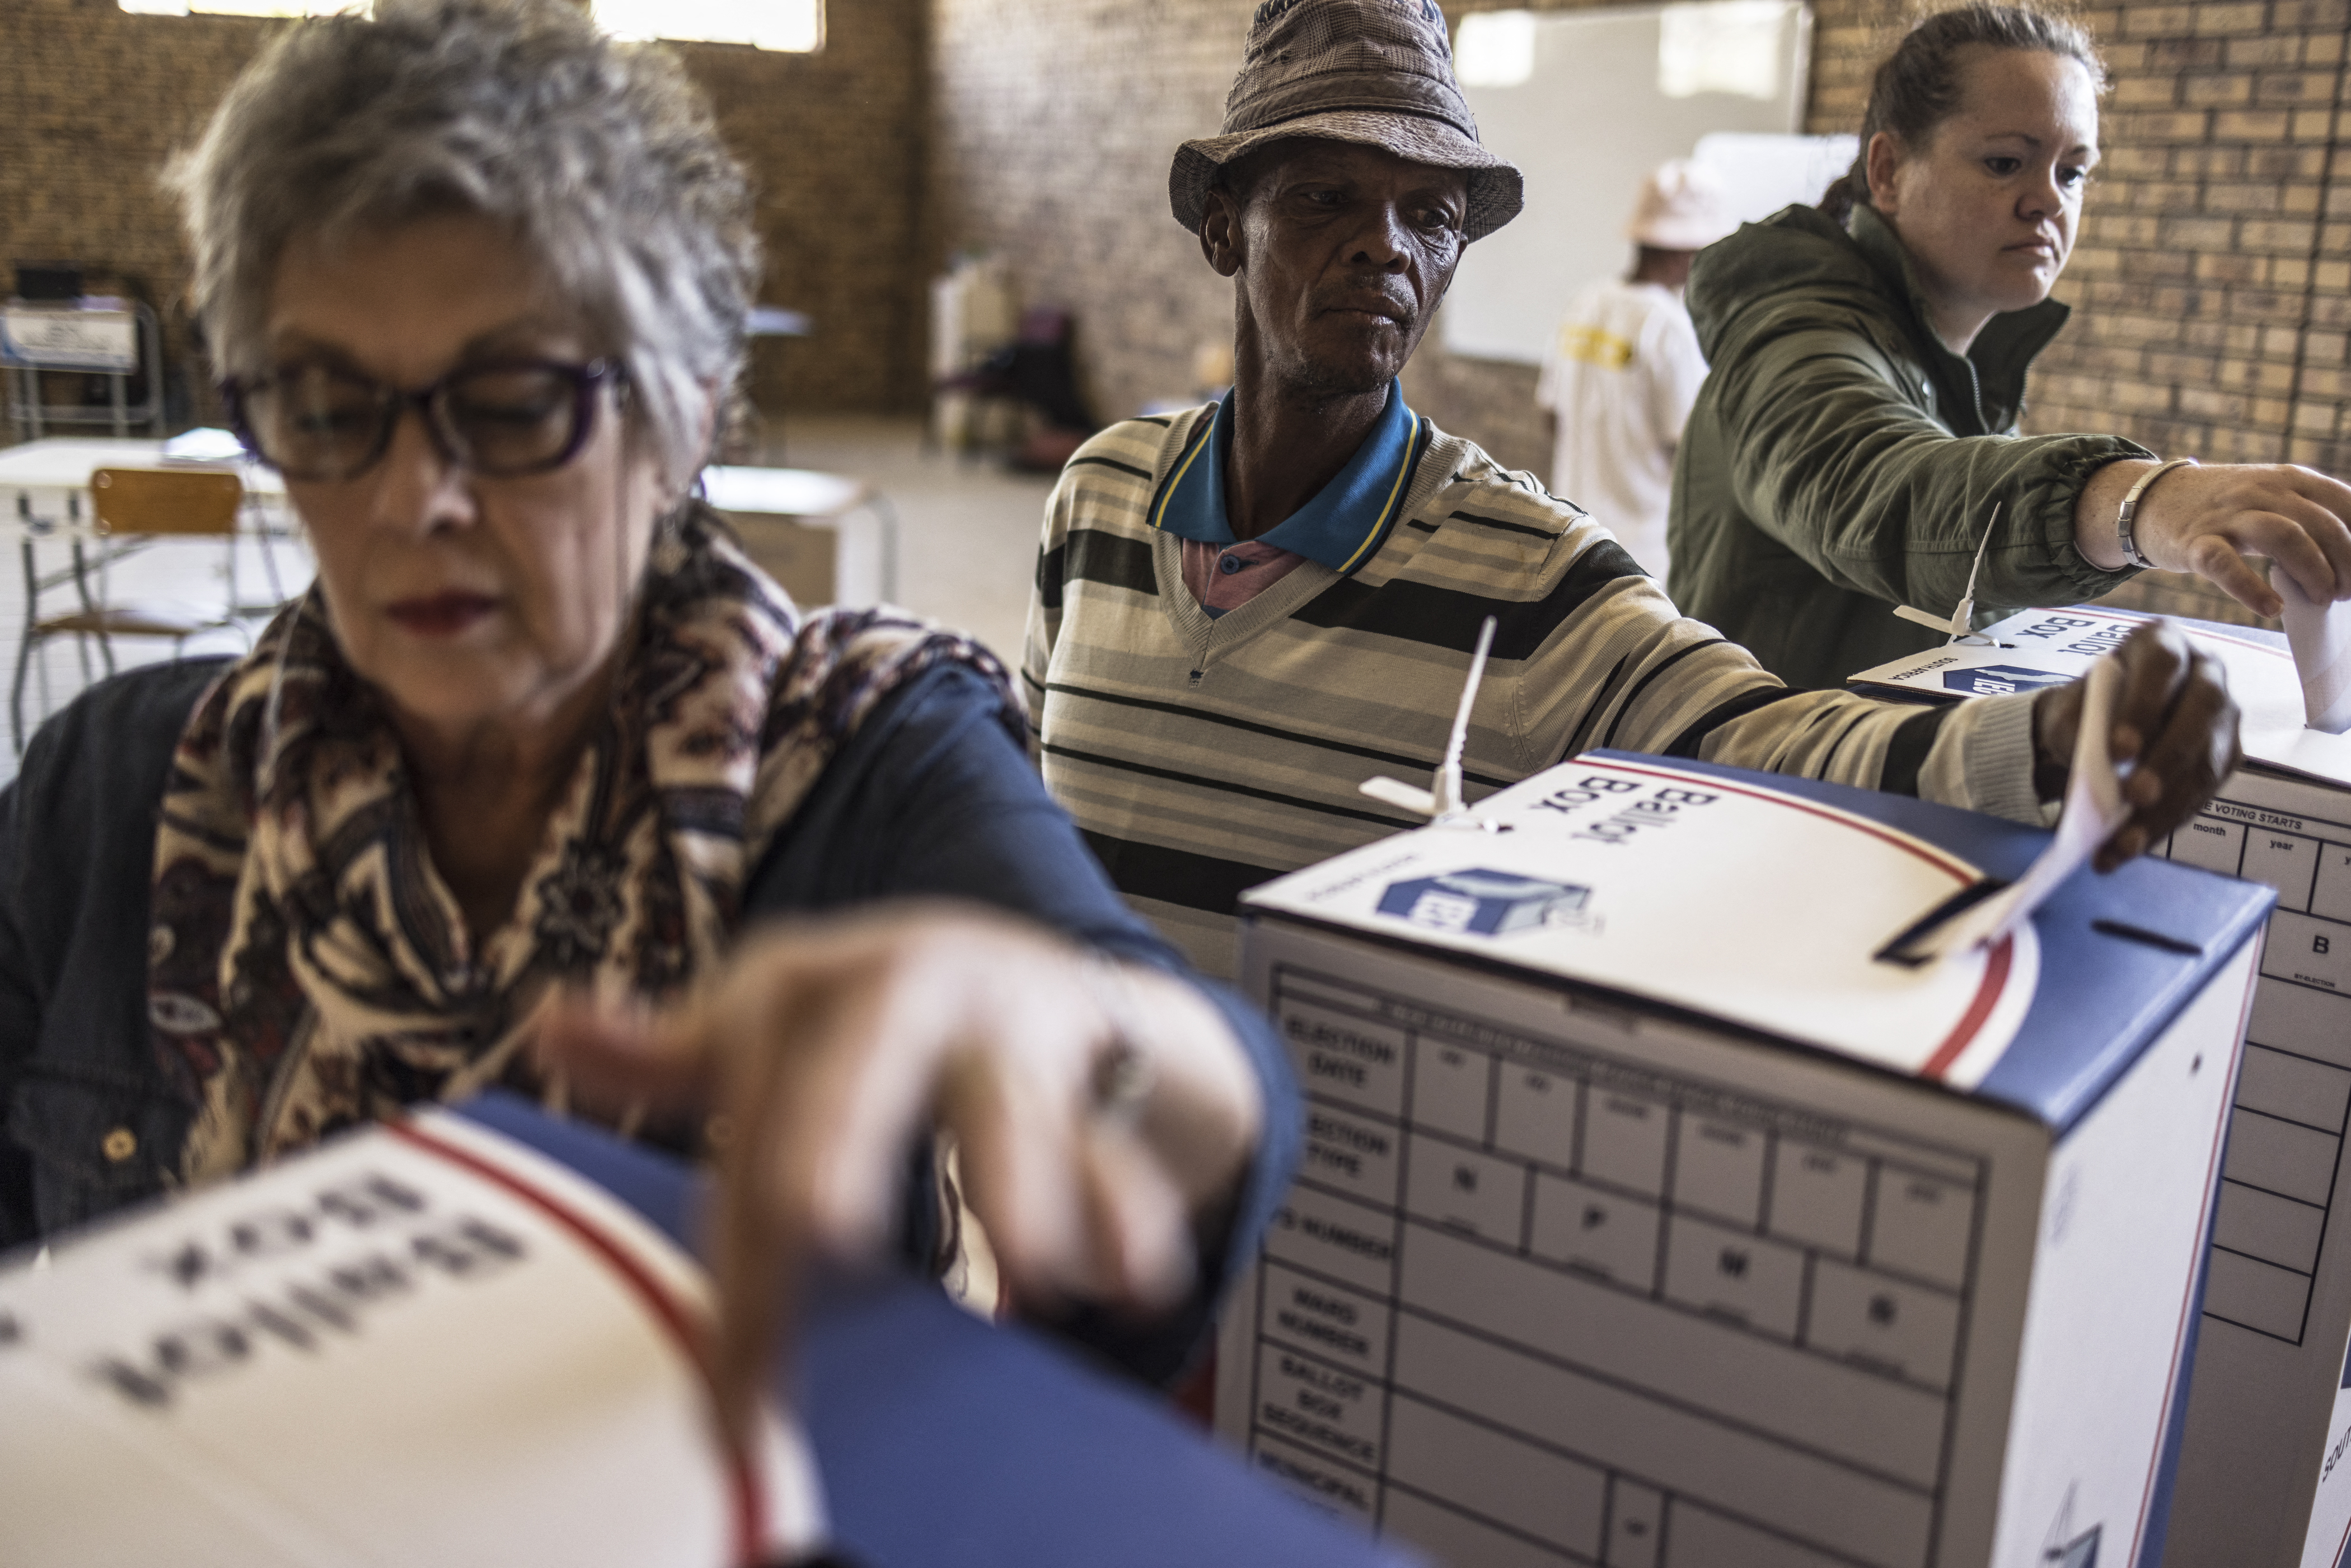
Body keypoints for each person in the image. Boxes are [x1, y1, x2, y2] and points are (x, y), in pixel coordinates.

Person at [0, 0, 1294, 1439]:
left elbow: (1187, 1089)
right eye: (328, 402)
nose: (415, 497)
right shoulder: (118, 794)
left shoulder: (863, 754)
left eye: (512, 401)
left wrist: (1093, 1037)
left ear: (689, 415)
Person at [1023, 0, 2242, 982]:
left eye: (1429, 215)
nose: (1386, 245)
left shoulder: (1532, 581)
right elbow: (1029, 806)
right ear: (1225, 231)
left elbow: (1763, 740)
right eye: (1326, 199)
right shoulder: (1098, 495)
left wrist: (2032, 744)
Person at [1669, 3, 2351, 690]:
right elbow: (1873, 484)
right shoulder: (1794, 330)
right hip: (1760, 783)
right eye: (2006, 162)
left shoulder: (1958, 366)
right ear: (1889, 171)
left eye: (2072, 172)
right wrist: (2143, 499)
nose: (2047, 201)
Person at [1535, 159, 1732, 578]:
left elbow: (1552, 415)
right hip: (1641, 558)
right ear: (1686, 248)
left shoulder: (1583, 303)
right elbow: (1693, 455)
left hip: (1572, 538)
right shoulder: (1670, 328)